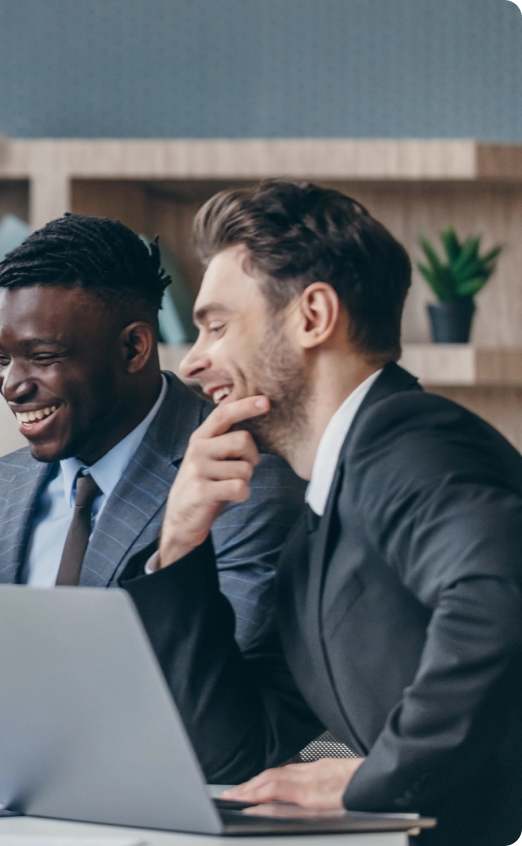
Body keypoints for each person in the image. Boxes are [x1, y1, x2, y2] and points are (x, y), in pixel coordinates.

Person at [131, 180, 522, 846]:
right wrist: (180, 545)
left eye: (216, 325)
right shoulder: (315, 533)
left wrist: (372, 777)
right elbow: (234, 756)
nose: (193, 362)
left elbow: (499, 594)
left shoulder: (410, 441)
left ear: (312, 316)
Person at [0, 214, 305, 766]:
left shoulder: (240, 477)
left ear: (133, 348)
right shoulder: (2, 486)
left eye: (42, 356)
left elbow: (222, 714)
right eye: (1, 358)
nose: (12, 384)